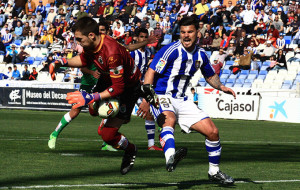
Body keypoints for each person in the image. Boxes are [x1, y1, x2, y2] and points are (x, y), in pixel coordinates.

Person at [138, 16, 236, 184]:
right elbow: (151, 72)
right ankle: (170, 158)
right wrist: (148, 98)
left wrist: (221, 87)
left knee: (213, 132)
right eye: (183, 32)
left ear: (197, 33)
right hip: (162, 96)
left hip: (183, 100)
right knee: (169, 120)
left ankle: (214, 172)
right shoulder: (171, 50)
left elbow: (210, 75)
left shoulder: (201, 54)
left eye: (190, 31)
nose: (186, 35)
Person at [49, 17, 141, 175]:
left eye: (79, 40)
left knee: (107, 135)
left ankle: (131, 150)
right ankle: (115, 112)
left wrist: (91, 97)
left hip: (127, 88)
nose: (78, 43)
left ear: (91, 35)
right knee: (92, 110)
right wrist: (60, 61)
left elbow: (118, 87)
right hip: (108, 80)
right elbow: (83, 59)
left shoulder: (112, 52)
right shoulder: (91, 45)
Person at [130, 28, 162, 151]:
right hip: (130, 87)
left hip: (141, 88)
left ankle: (151, 145)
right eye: (141, 37)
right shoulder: (133, 53)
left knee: (149, 112)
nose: (144, 39)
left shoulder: (148, 52)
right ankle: (107, 139)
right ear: (136, 38)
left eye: (145, 37)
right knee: (117, 114)